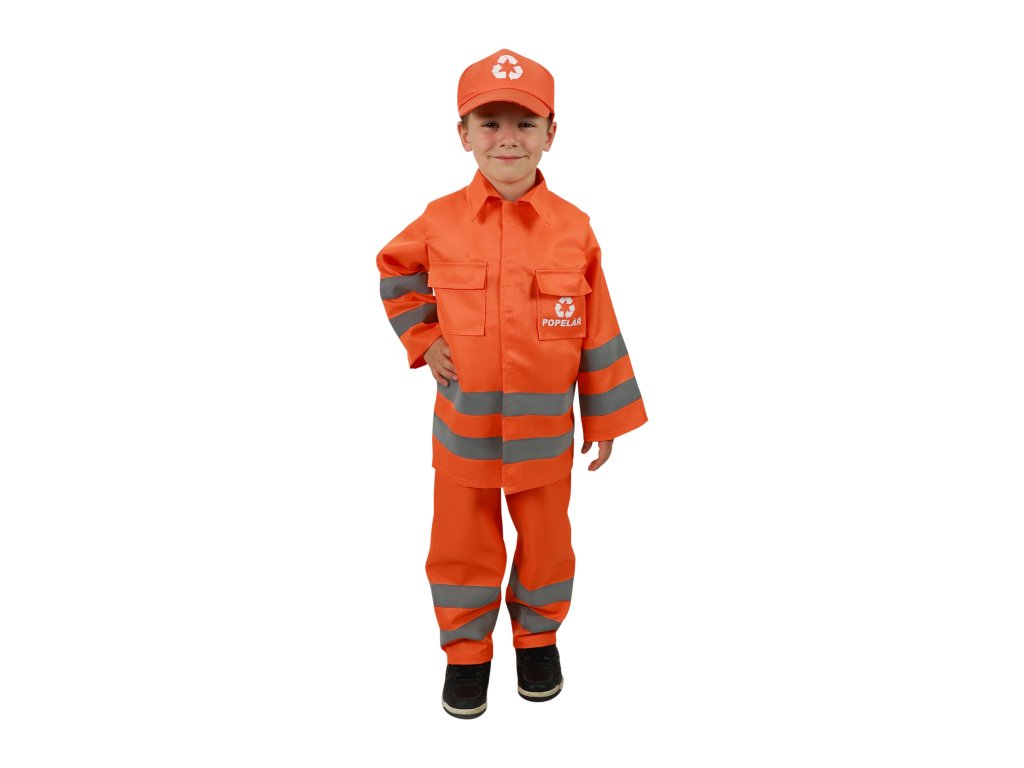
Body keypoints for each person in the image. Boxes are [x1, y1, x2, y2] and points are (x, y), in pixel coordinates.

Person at [376, 48, 648, 719]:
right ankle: (466, 653)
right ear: (462, 134)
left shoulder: (574, 229)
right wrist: (425, 339)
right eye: (489, 123)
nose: (507, 139)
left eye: (525, 124)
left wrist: (605, 417)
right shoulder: (438, 220)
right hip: (464, 428)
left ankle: (538, 639)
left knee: (548, 542)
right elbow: (395, 271)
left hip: (545, 431)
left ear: (551, 134)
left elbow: (598, 326)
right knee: (461, 544)